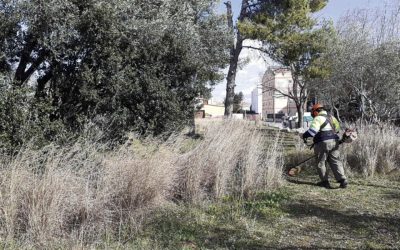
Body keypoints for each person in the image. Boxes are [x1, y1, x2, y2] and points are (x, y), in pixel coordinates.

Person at [302, 104, 348, 189]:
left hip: (322, 143)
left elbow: (312, 132)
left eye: (313, 112)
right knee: (335, 161)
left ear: (316, 111)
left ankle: (325, 182)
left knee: (321, 162)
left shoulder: (318, 118)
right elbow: (337, 131)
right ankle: (342, 180)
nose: (312, 114)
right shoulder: (332, 118)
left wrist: (304, 135)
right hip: (335, 142)